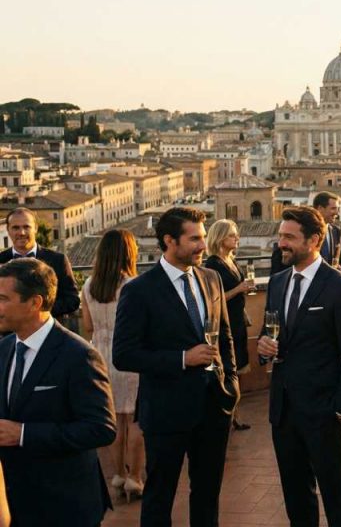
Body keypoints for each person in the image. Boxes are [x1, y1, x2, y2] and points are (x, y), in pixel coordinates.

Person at [113, 207, 239, 527]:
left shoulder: (210, 278)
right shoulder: (139, 290)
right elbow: (124, 355)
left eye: (203, 236)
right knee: (160, 496)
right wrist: (183, 358)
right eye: (194, 238)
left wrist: (232, 384)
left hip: (213, 405)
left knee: (208, 494)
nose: (203, 245)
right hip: (166, 410)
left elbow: (225, 337)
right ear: (169, 240)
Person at [256, 206, 341, 526]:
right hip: (284, 412)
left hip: (325, 414)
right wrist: (264, 347)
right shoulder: (277, 283)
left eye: (289, 237)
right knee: (296, 496)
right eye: (280, 236)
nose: (281, 243)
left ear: (315, 240)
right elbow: (271, 332)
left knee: (337, 497)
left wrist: (340, 408)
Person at [0, 258, 116, 526]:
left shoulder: (79, 355)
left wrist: (23, 434)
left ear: (35, 303)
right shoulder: (5, 349)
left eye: (4, 298)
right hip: (16, 502)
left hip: (65, 505)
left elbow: (101, 428)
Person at [81, 229, 145, 501]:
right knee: (134, 420)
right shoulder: (133, 285)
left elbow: (87, 326)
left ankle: (118, 474)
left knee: (114, 420)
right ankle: (135, 478)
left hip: (100, 358)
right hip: (129, 358)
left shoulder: (88, 285)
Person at [203, 219, 254, 431]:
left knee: (238, 366)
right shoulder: (213, 265)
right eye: (232, 235)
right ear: (221, 238)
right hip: (226, 324)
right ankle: (227, 414)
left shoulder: (231, 260)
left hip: (237, 320)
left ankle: (234, 415)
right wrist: (239, 289)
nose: (237, 238)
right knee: (226, 366)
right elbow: (214, 298)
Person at [0, 207, 80, 322]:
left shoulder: (57, 260)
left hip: (49, 335)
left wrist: (39, 312)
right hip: (8, 337)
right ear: (8, 230)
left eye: (26, 227)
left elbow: (72, 300)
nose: (21, 233)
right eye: (15, 227)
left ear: (35, 229)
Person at [270, 192, 341, 274]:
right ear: (320, 208)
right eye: (333, 208)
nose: (337, 213)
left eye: (337, 209)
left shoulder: (337, 232)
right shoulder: (300, 232)